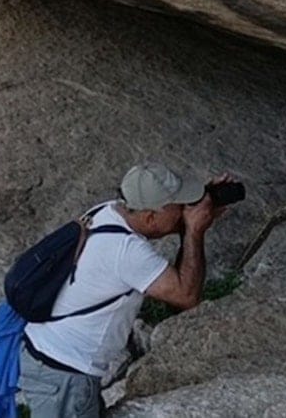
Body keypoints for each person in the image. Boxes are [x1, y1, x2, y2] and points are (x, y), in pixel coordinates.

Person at [18, 162, 231, 418]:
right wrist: (194, 230)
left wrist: (202, 198)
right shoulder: (126, 251)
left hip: (51, 360)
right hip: (64, 374)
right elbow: (186, 296)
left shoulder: (108, 210)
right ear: (150, 217)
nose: (184, 212)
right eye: (179, 207)